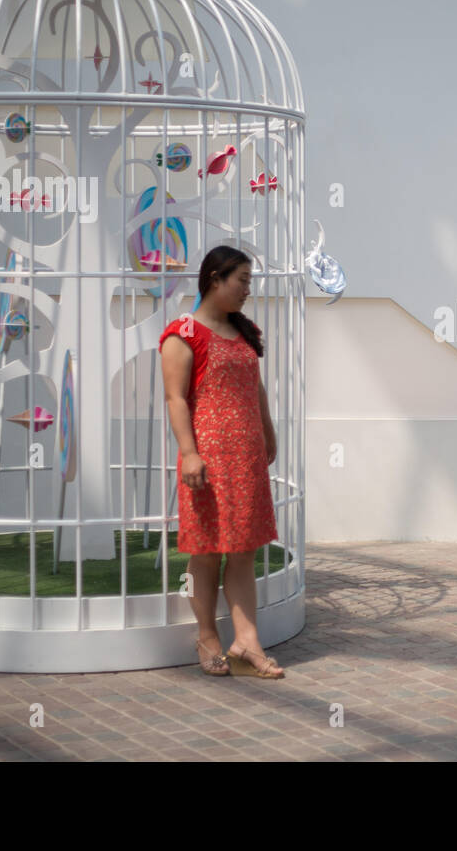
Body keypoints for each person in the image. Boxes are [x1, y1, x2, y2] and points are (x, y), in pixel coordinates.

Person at [159, 244, 285, 678]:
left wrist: (268, 430)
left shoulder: (242, 329)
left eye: (250, 282)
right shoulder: (183, 334)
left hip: (246, 455)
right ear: (215, 278)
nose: (248, 290)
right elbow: (175, 399)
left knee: (244, 549)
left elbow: (257, 387)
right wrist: (190, 453)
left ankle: (246, 642)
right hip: (207, 461)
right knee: (208, 551)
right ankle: (207, 636)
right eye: (243, 281)